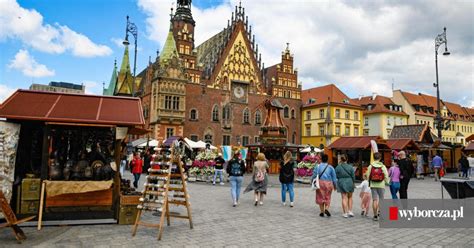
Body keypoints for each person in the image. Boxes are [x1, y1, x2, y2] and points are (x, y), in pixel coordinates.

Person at [365, 152, 389, 221]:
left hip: (373, 184)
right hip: (381, 185)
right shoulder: (383, 166)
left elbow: (367, 175)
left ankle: (375, 216)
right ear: (380, 158)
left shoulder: (370, 166)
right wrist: (387, 182)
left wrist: (369, 181)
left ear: (373, 157)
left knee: (374, 200)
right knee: (381, 199)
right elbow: (386, 176)